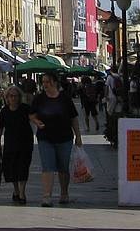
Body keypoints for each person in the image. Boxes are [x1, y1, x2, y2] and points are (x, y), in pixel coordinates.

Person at [29, 70, 82, 207]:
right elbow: (32, 114)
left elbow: (73, 118)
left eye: (47, 81)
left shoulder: (64, 98)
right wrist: (36, 122)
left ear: (54, 82)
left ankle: (64, 193)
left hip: (64, 138)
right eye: (43, 82)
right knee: (47, 167)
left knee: (63, 167)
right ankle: (46, 196)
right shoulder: (39, 98)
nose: (45, 84)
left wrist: (78, 136)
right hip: (45, 137)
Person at [0, 85, 33, 205]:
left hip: (25, 142)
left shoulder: (25, 108)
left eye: (16, 96)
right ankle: (16, 190)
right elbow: (0, 127)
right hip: (10, 143)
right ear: (7, 97)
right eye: (11, 96)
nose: (13, 98)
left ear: (19, 97)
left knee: (23, 167)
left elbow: (34, 118)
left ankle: (22, 193)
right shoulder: (4, 111)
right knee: (12, 169)